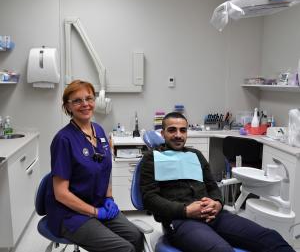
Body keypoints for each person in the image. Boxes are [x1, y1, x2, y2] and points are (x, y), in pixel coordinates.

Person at [140, 112, 295, 252]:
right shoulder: (152, 159)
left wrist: (217, 203)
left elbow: (212, 186)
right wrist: (185, 210)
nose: (178, 135)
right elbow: (149, 199)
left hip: (214, 215)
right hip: (180, 220)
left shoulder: (195, 155)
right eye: (172, 130)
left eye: (183, 130)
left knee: (269, 237)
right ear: (163, 133)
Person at [46, 80, 143, 252]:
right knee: (123, 248)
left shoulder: (99, 130)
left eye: (89, 98)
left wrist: (109, 198)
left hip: (98, 204)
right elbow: (60, 194)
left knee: (136, 236)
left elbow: (104, 169)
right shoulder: (63, 140)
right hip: (71, 214)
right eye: (77, 100)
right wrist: (95, 213)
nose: (85, 104)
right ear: (68, 107)